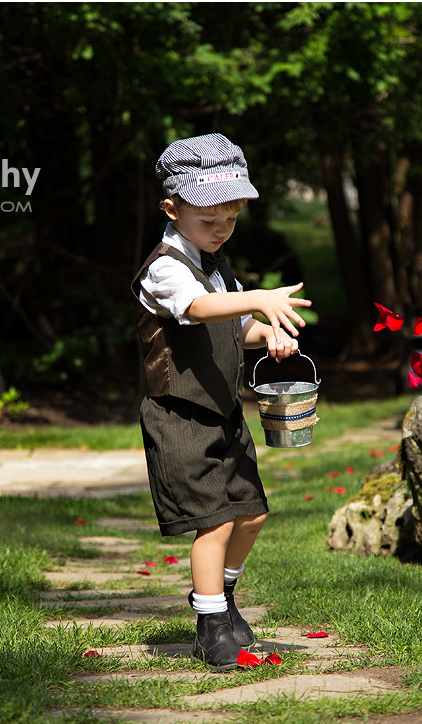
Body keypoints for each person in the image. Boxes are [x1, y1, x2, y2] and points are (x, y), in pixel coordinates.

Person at [131, 134, 311, 671]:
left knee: (250, 515)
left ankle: (221, 597)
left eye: (231, 219)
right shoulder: (165, 268)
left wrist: (268, 334)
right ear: (172, 208)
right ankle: (211, 627)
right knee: (213, 520)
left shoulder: (218, 265)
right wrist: (257, 297)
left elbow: (232, 327)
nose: (221, 230)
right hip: (180, 415)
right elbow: (197, 308)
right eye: (210, 221)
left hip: (224, 412)